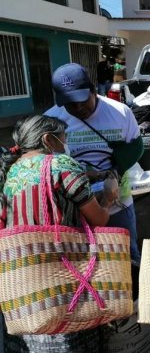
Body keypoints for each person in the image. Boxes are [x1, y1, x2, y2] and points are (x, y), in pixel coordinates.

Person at [0, 115, 109, 352]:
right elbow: (99, 218)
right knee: (70, 333)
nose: (66, 142)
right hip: (63, 272)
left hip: (24, 276)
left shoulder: (11, 169)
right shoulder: (62, 165)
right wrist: (109, 197)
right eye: (64, 138)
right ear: (48, 139)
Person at [45, 63, 143, 264]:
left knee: (125, 256)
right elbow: (46, 162)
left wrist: (115, 173)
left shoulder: (120, 112)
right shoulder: (50, 120)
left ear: (93, 90)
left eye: (82, 100)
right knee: (81, 261)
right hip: (73, 208)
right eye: (71, 104)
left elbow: (136, 148)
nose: (79, 108)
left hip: (118, 202)